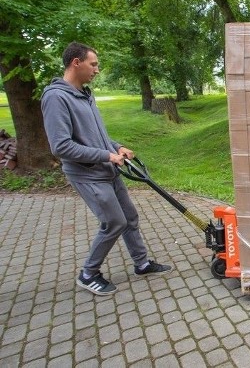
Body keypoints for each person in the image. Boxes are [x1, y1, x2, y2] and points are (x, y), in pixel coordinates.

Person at [41, 42, 172, 296]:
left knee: (129, 217)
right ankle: (88, 273)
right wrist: (105, 155)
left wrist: (117, 147)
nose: (97, 70)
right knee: (114, 222)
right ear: (76, 63)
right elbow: (61, 147)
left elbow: (96, 136)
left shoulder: (85, 94)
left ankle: (142, 263)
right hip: (87, 174)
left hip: (107, 169)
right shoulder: (56, 97)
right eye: (94, 64)